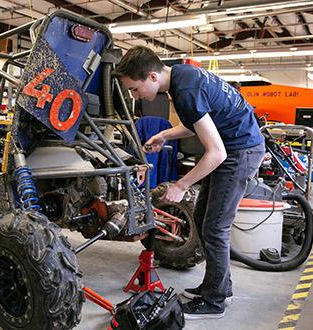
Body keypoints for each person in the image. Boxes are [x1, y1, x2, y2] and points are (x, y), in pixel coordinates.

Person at [113, 46, 265, 320]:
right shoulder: (181, 75)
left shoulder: (184, 90)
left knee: (215, 228)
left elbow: (216, 153)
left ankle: (215, 301)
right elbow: (200, 121)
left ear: (151, 76)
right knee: (202, 216)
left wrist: (181, 185)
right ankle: (218, 286)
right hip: (233, 146)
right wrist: (164, 135)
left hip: (240, 151)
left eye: (134, 89)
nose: (135, 96)